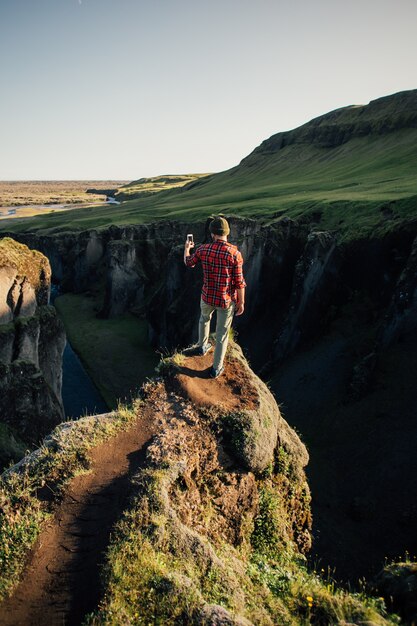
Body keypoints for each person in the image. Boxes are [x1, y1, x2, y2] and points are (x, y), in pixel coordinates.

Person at [184, 216, 246, 378]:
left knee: (204, 319)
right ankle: (216, 368)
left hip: (207, 296)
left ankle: (202, 346)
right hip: (225, 300)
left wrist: (187, 248)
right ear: (227, 233)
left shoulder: (203, 249)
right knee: (222, 334)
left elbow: (189, 262)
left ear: (212, 234)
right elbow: (239, 282)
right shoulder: (234, 254)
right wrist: (241, 302)